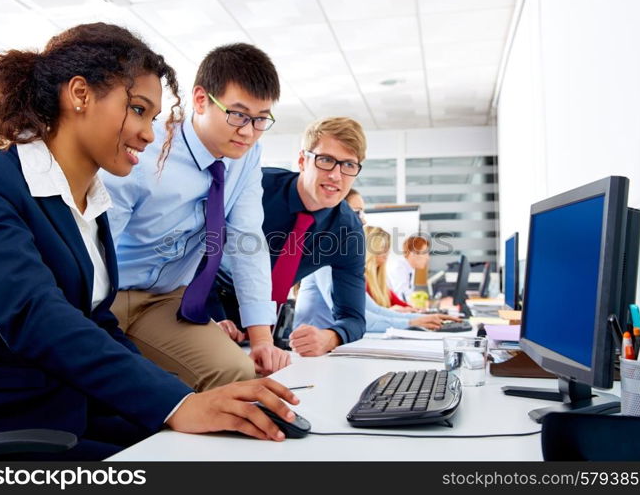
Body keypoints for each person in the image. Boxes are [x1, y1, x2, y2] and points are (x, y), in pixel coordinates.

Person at [0, 23, 298, 460]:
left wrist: (176, 398)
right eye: (137, 110)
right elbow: (34, 314)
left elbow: (96, 318)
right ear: (79, 94)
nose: (150, 135)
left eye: (152, 117)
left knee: (218, 448)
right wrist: (177, 402)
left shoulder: (87, 204)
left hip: (75, 412)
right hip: (10, 425)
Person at [102, 43, 290, 389]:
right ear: (201, 100)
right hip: (106, 293)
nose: (248, 131)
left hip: (167, 299)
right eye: (238, 114)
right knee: (109, 386)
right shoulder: (145, 147)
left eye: (261, 119)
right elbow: (97, 244)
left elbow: (246, 238)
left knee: (237, 375)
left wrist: (262, 339)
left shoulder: (246, 156)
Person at [210, 117, 367, 357]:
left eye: (348, 165)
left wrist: (330, 336)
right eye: (326, 160)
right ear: (303, 160)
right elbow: (197, 249)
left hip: (269, 324)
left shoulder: (347, 230)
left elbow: (354, 318)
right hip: (209, 301)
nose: (336, 175)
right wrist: (210, 316)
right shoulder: (257, 187)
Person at [295, 190, 459, 332]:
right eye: (358, 212)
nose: (364, 220)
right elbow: (353, 318)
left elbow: (374, 310)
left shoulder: (342, 258)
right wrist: (411, 322)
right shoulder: (324, 259)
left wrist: (419, 317)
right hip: (310, 354)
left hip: (332, 350)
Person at [387, 235, 431, 304]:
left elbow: (409, 296)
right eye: (425, 253)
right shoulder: (399, 268)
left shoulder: (409, 269)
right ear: (413, 253)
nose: (428, 258)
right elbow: (402, 297)